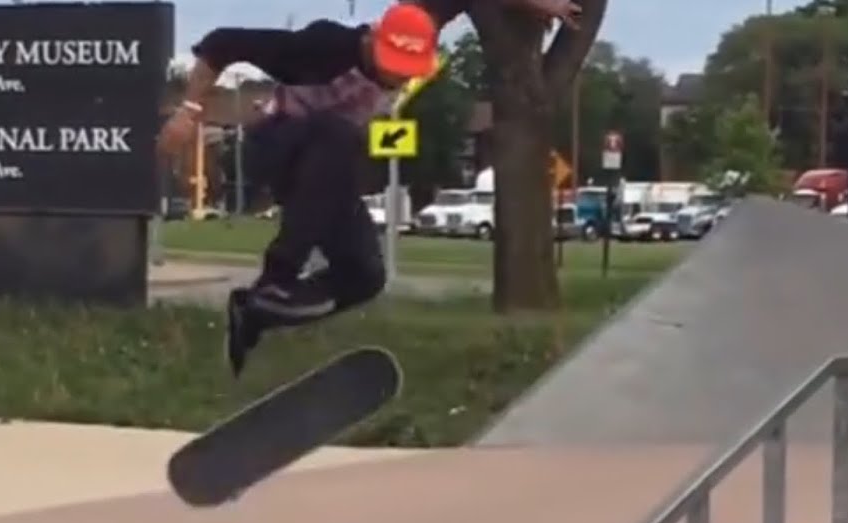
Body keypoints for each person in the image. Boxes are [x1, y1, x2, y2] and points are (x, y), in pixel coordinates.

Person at [157, 0, 583, 376]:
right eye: (390, 71)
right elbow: (221, 43)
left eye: (405, 75)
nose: (395, 82)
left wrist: (539, 4)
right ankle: (278, 277)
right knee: (338, 134)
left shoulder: (418, 26)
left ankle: (254, 312)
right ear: (374, 42)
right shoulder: (322, 47)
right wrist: (188, 112)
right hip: (276, 145)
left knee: (364, 274)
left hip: (326, 173)